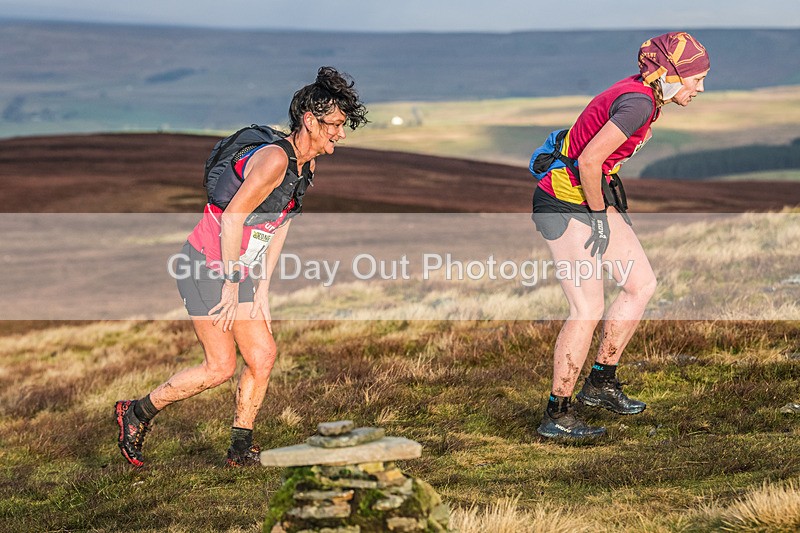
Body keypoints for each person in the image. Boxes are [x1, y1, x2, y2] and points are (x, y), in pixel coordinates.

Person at [115, 67, 368, 466]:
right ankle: (135, 413)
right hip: (205, 267)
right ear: (309, 120)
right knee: (219, 367)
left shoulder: (306, 167)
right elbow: (232, 218)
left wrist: (262, 289)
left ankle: (239, 450)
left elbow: (277, 224)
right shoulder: (273, 160)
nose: (341, 133)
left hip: (238, 272)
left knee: (263, 355)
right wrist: (232, 285)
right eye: (335, 125)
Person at [531, 32, 710, 440]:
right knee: (586, 308)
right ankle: (557, 414)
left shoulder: (644, 94)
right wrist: (598, 216)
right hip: (564, 201)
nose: (700, 88)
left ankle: (600, 383)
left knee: (640, 283)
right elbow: (590, 160)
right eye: (696, 79)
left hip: (588, 196)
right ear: (669, 73)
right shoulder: (639, 102)